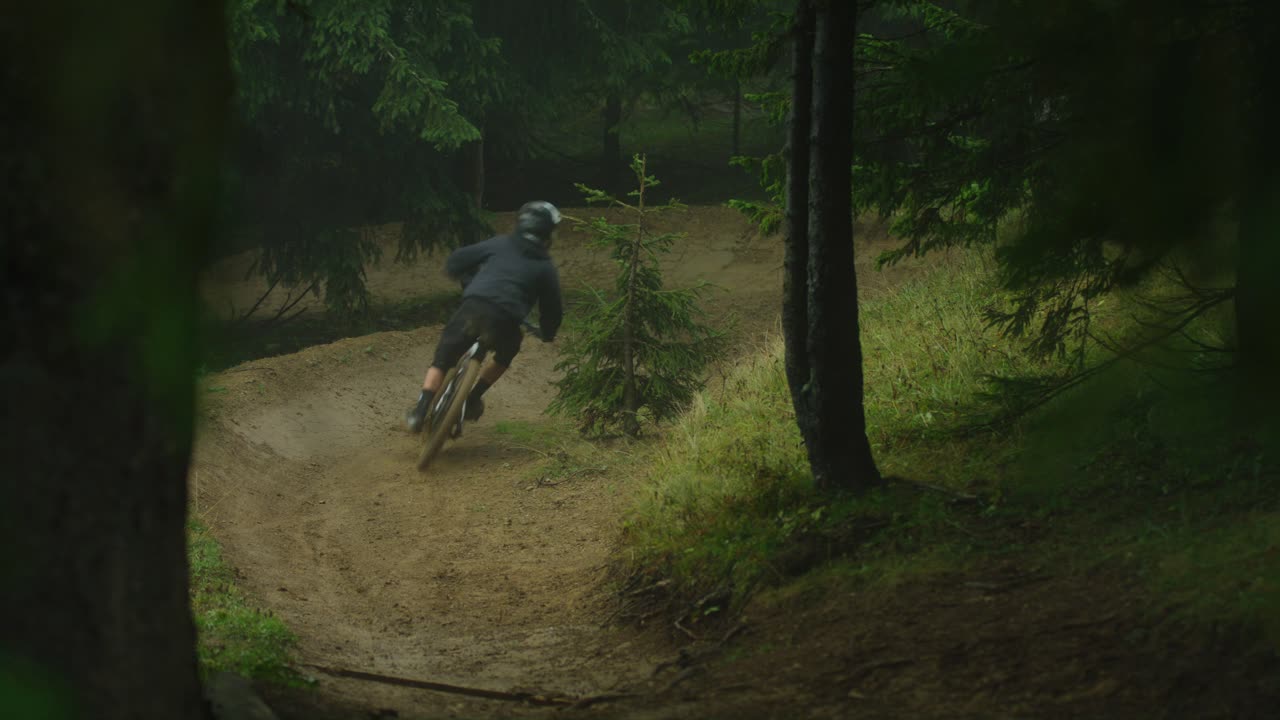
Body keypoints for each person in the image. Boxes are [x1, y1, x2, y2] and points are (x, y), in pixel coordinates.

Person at [405, 200, 564, 433]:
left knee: (443, 358)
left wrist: (468, 281)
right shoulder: (545, 266)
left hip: (473, 307)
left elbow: (457, 260)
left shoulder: (501, 244)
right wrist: (547, 333)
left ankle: (420, 410)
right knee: (505, 354)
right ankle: (473, 397)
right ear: (549, 232)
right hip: (506, 320)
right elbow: (552, 308)